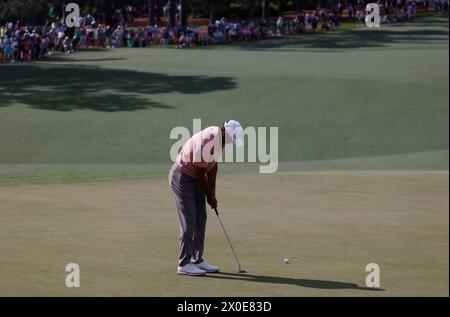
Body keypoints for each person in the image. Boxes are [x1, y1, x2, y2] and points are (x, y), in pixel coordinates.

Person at [169, 120, 244, 276]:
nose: (230, 143)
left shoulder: (220, 141)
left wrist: (213, 192)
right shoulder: (208, 140)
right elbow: (198, 172)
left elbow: (213, 167)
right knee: (189, 220)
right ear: (224, 132)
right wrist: (209, 194)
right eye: (231, 139)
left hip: (196, 177)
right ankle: (183, 264)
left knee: (201, 218)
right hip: (182, 176)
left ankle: (197, 260)